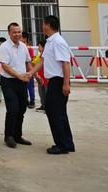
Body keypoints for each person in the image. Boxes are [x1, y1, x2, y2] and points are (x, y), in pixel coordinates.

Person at [29, 15, 75, 155]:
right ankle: (67, 143)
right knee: (59, 113)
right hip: (53, 81)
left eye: (43, 24)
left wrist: (66, 84)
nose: (42, 26)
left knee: (54, 112)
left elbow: (65, 63)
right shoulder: (50, 42)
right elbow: (42, 61)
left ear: (47, 25)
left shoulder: (58, 42)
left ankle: (61, 144)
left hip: (58, 81)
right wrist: (31, 73)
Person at [0, 22, 32, 149]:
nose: (17, 34)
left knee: (22, 108)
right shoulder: (4, 47)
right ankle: (9, 136)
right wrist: (19, 76)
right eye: (14, 32)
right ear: (9, 33)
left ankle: (18, 135)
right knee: (13, 109)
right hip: (8, 82)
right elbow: (5, 66)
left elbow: (28, 62)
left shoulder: (23, 46)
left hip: (22, 82)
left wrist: (35, 75)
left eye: (19, 32)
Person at [22, 31, 36, 109]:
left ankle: (32, 101)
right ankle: (25, 100)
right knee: (23, 87)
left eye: (21, 37)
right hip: (22, 70)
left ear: (25, 38)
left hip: (28, 71)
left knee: (30, 86)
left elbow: (31, 60)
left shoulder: (29, 48)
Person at [34, 39, 47, 113]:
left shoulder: (45, 55)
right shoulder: (40, 55)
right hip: (40, 76)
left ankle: (47, 107)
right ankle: (43, 105)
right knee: (41, 92)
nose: (38, 48)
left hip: (45, 77)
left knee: (45, 92)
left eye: (39, 46)